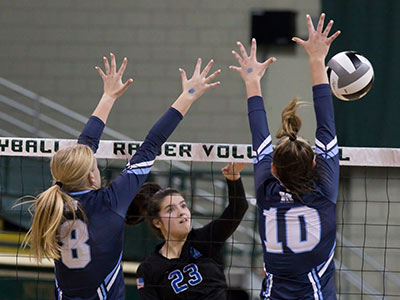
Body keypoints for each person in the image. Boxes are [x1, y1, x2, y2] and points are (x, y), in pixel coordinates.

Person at [23, 53, 221, 300]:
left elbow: (84, 147)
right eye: (96, 166)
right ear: (92, 178)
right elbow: (151, 144)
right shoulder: (110, 201)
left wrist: (108, 96)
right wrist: (187, 95)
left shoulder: (54, 205)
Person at [230, 13, 340, 299]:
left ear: (275, 171)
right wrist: (317, 59)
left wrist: (252, 81)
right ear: (315, 163)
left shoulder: (268, 192)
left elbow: (260, 133)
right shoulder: (323, 190)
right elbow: (262, 138)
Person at [133, 162, 249, 299]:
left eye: (183, 206)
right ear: (157, 222)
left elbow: (238, 208)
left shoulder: (205, 239)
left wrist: (233, 177)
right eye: (171, 209)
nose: (182, 213)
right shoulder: (148, 269)